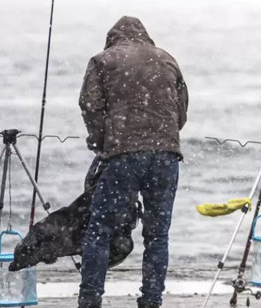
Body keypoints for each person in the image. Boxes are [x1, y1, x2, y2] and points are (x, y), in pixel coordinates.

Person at [77, 16, 188, 308]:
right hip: (166, 156)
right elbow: (181, 111)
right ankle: (152, 299)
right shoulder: (167, 59)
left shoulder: (103, 60)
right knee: (157, 234)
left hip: (123, 156)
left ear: (112, 39)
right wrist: (160, 135)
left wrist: (101, 141)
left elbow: (89, 105)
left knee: (100, 230)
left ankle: (90, 298)